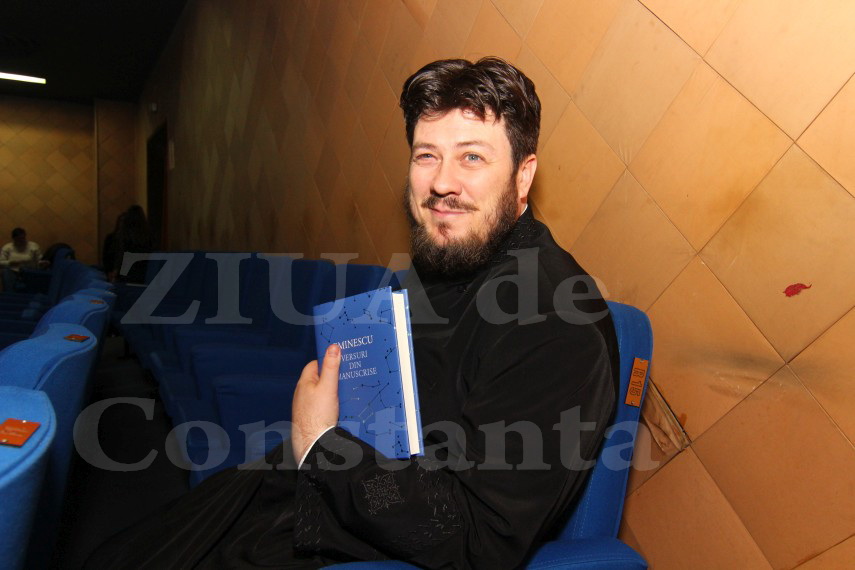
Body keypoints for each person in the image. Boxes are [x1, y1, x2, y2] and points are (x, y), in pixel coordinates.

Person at [87, 57, 618, 569]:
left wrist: (322, 445)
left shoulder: (553, 322)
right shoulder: (452, 259)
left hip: (360, 532)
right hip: (325, 490)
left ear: (523, 176)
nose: (441, 183)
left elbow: (472, 535)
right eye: (426, 155)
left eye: (472, 158)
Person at [112, 204, 153, 283]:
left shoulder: (125, 235)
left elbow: (121, 255)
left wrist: (116, 273)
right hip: (144, 271)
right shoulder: (147, 235)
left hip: (127, 272)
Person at [0, 227, 44, 291]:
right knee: (6, 272)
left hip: (29, 271)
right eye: (18, 239)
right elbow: (1, 262)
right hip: (13, 271)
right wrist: (10, 263)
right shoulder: (7, 247)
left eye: (23, 238)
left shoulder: (33, 246)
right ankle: (10, 293)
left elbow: (39, 259)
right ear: (14, 239)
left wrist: (42, 263)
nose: (21, 241)